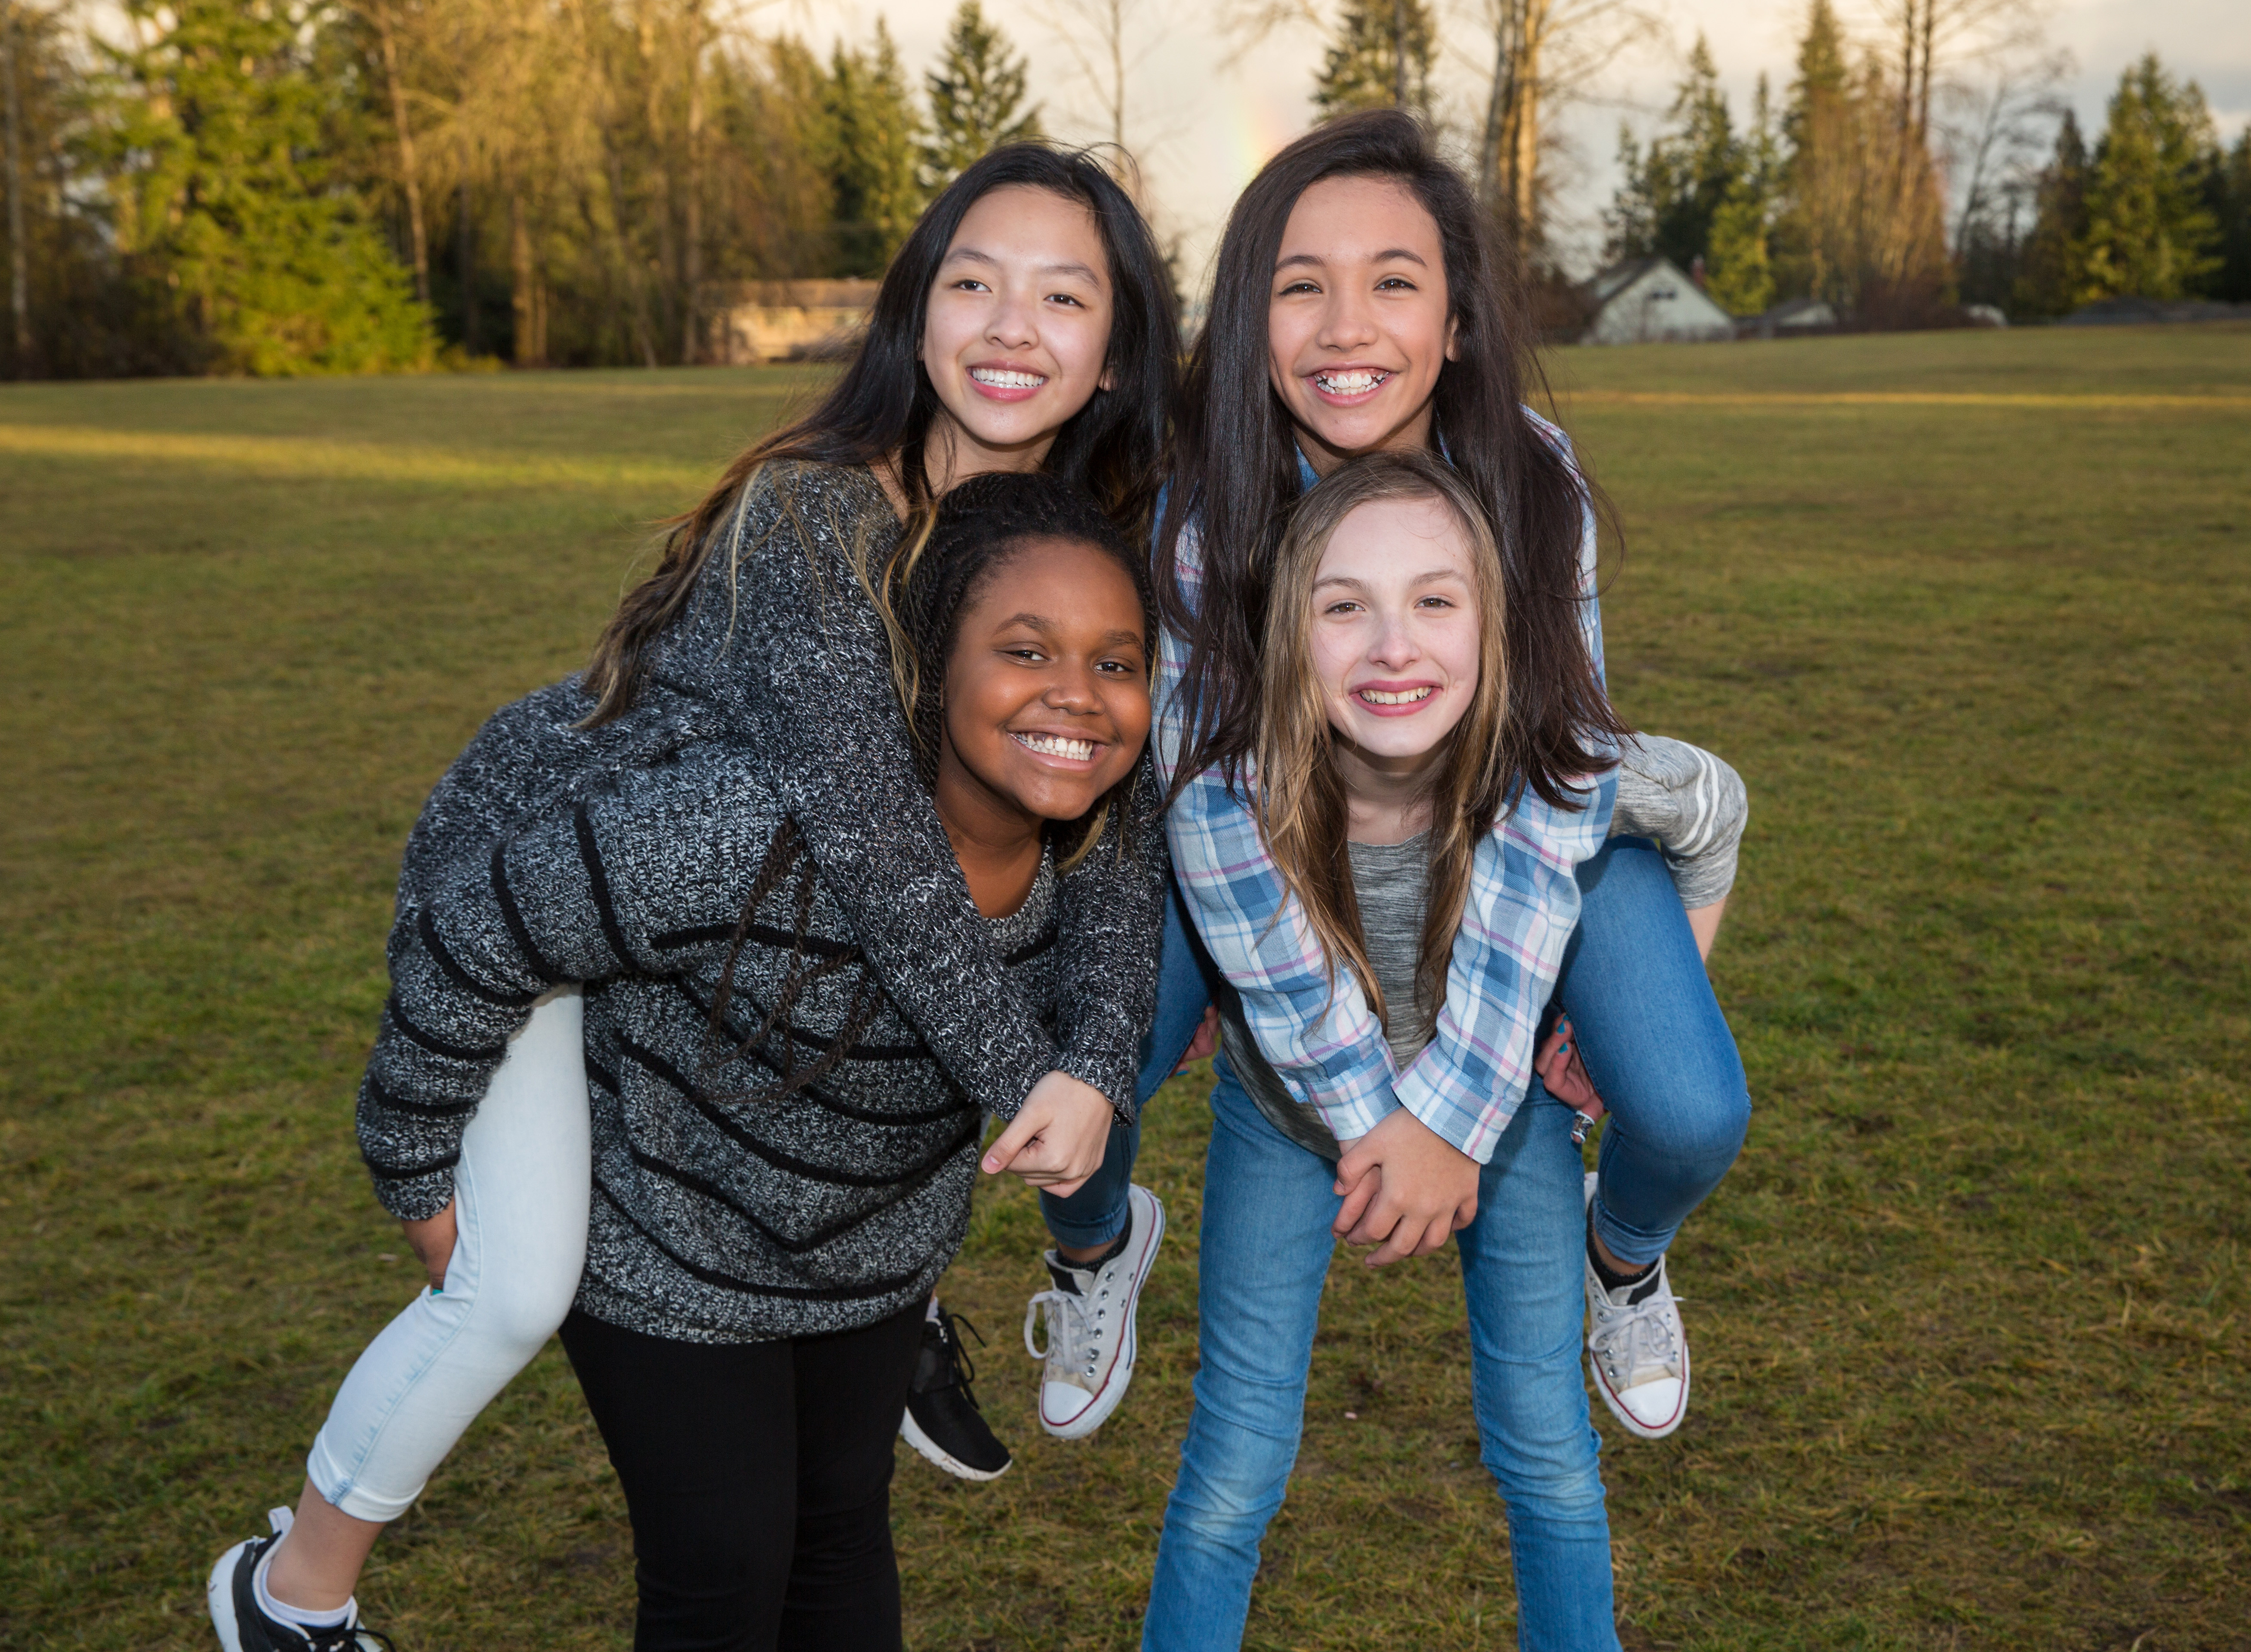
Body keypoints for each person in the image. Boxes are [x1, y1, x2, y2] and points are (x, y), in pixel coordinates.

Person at [207, 145, 1182, 1652]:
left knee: (830, 1518)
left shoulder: (1081, 540)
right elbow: (873, 844)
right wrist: (1025, 1077)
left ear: (1115, 352)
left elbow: (1120, 835)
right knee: (516, 1287)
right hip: (562, 887)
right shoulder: (814, 517)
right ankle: (293, 1596)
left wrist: (1096, 1069)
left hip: (735, 930)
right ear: (915, 309)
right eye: (973, 282)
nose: (1010, 325)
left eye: (1064, 296)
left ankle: (884, 1313)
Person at [1041, 107, 1751, 1468]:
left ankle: (1622, 1259)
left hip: (1515, 815)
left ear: (1460, 321)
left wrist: (1457, 1111)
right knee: (1086, 1056)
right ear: (1249, 322)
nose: (1346, 327)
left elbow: (1548, 781)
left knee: (1691, 1108)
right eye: (1300, 286)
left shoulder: (1532, 481)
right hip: (1254, 847)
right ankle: (1093, 1251)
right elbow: (1211, 816)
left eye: (1394, 282)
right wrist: (1370, 1109)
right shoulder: (1207, 508)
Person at [1144, 453, 1743, 1649]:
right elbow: (1297, 1015)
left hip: (1509, 1120)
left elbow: (1711, 803)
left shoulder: (1558, 774)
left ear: (1497, 625)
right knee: (1232, 1467)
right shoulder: (1229, 794)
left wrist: (1635, 999)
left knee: (1548, 1453)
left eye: (1434, 600)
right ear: (1285, 636)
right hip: (1289, 1115)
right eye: (1343, 607)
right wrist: (1397, 1136)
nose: (1393, 646)